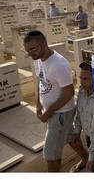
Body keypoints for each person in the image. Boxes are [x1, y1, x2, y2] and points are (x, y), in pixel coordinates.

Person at [23, 30, 88, 172]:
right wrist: (39, 104)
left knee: (50, 153)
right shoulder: (38, 59)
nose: (30, 53)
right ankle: (86, 159)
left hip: (61, 113)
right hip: (52, 111)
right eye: (27, 50)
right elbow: (41, 82)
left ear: (44, 44)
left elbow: (69, 92)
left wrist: (48, 112)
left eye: (33, 49)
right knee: (70, 137)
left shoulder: (58, 64)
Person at [71, 60, 94, 172]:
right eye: (80, 78)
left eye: (86, 79)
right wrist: (77, 131)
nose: (82, 82)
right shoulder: (82, 92)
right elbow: (80, 114)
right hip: (89, 138)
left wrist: (92, 158)